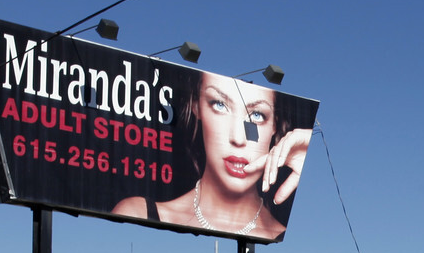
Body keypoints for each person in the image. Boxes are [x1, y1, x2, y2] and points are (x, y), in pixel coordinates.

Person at [112, 72, 311, 241]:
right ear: (196, 107)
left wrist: (308, 166)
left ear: (274, 125)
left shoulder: (282, 235)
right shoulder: (137, 212)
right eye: (220, 105)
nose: (238, 138)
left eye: (257, 115)